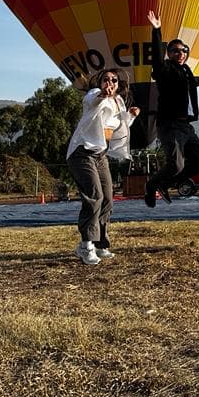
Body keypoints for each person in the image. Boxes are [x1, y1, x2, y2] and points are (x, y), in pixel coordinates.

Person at [66, 69, 140, 266]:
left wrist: (131, 116)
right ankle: (86, 245)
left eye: (114, 80)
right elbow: (93, 102)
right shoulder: (93, 95)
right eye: (105, 79)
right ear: (99, 83)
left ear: (119, 83)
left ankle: (100, 244)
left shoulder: (119, 102)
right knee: (94, 196)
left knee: (107, 198)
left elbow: (119, 126)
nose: (110, 82)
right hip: (82, 152)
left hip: (100, 154)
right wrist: (101, 94)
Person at [144, 10, 199, 207]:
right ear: (169, 53)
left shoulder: (186, 72)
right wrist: (157, 31)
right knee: (176, 164)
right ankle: (152, 185)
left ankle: (165, 184)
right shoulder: (165, 70)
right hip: (170, 124)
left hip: (186, 126)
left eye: (183, 50)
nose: (180, 53)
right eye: (175, 50)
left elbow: (194, 81)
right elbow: (157, 60)